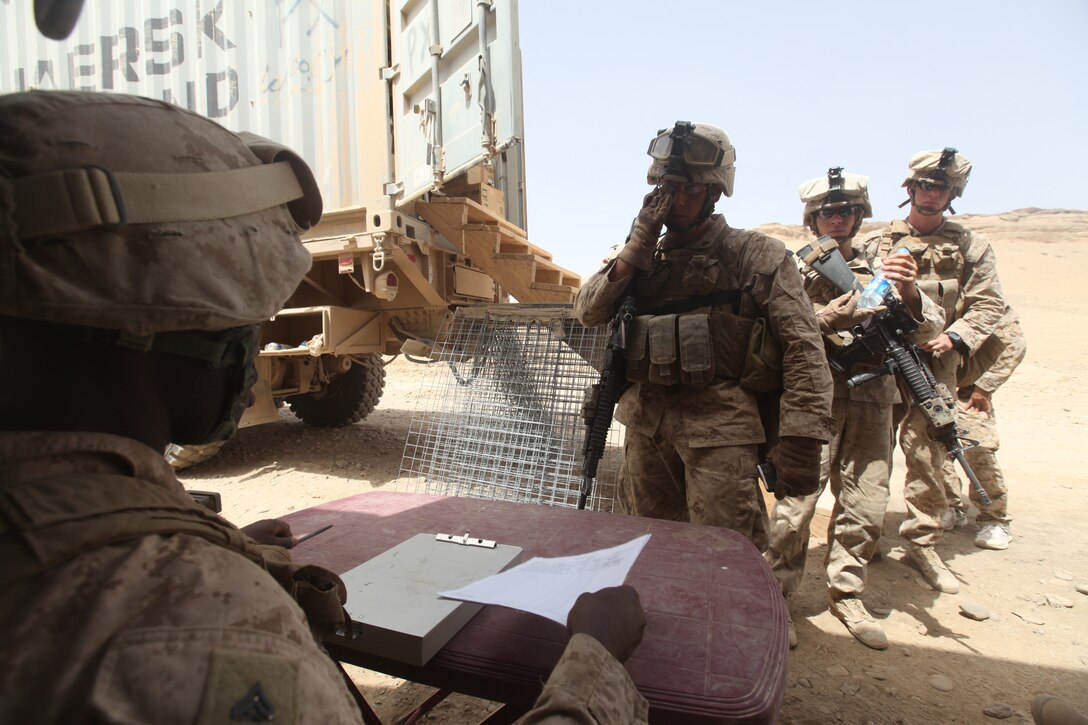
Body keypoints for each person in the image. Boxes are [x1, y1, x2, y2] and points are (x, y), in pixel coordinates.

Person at [0, 89, 649, 724]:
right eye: (241, 314)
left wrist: (223, 550)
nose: (254, 339)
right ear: (152, 322)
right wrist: (593, 664)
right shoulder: (200, 627)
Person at [574, 121, 834, 551]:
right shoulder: (638, 257)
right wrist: (636, 248)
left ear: (714, 192)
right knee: (642, 548)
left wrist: (802, 437)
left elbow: (804, 351)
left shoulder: (754, 254)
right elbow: (588, 312)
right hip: (647, 429)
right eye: (665, 187)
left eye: (689, 189)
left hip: (721, 430)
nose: (674, 200)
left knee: (724, 554)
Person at [763, 169, 944, 650]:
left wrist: (904, 292)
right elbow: (772, 329)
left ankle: (847, 594)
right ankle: (775, 599)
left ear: (860, 216)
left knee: (865, 505)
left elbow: (930, 330)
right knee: (796, 504)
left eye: (847, 211)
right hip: (811, 397)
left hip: (872, 399)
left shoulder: (887, 264)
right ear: (812, 218)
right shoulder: (790, 269)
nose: (838, 219)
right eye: (827, 211)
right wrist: (841, 312)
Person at [861, 148, 1007, 594]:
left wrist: (955, 337)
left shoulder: (971, 247)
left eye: (941, 187)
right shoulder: (876, 243)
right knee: (872, 452)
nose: (931, 193)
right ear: (909, 189)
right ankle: (864, 538)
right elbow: (859, 298)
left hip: (937, 363)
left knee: (928, 455)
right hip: (883, 360)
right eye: (924, 184)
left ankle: (923, 543)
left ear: (953, 193)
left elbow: (989, 304)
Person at [942, 309, 1026, 550]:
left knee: (978, 448)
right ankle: (951, 505)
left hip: (971, 390)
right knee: (935, 450)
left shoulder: (985, 300)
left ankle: (995, 518)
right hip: (937, 382)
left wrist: (985, 387)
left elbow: (1014, 343)